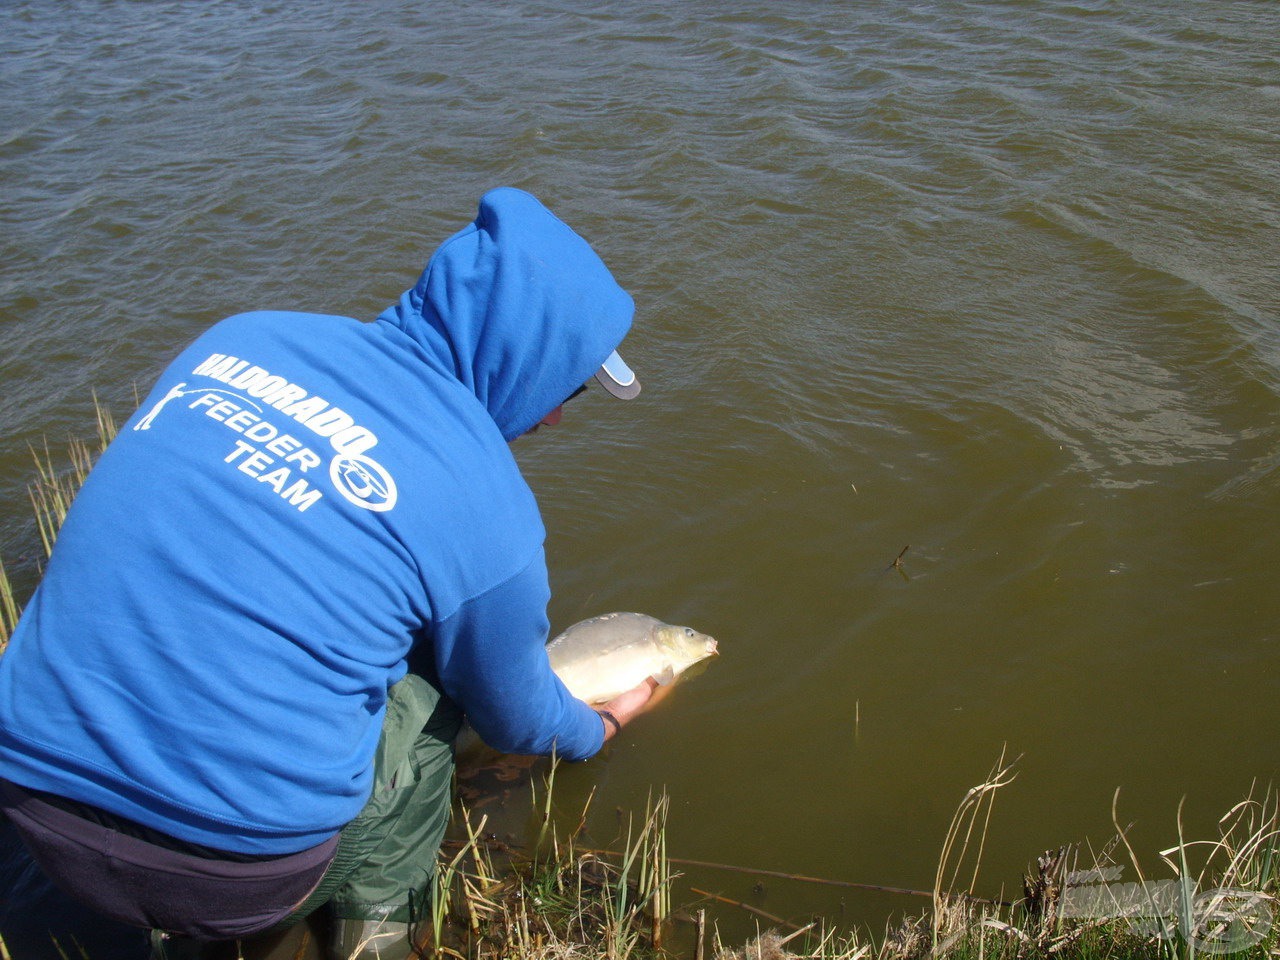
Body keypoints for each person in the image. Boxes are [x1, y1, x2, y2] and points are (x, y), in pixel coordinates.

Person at [0, 187, 657, 957]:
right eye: (568, 385)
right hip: (228, 871)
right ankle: (371, 933)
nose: (555, 417)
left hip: (24, 791)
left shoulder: (240, 339)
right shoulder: (489, 507)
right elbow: (518, 718)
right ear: (523, 359)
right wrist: (603, 724)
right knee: (432, 703)